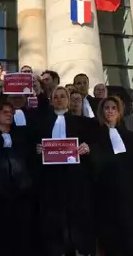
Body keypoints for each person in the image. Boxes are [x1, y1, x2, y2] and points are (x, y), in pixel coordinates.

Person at [35, 86, 96, 256]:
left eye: (63, 96)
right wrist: (37, 149)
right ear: (51, 100)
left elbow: (94, 144)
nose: (59, 99)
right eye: (56, 97)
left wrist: (87, 147)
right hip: (50, 178)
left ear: (68, 101)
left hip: (74, 177)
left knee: (75, 215)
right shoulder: (42, 122)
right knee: (52, 216)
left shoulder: (81, 123)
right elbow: (33, 145)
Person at [92, 96, 133, 256]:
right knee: (112, 236)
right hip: (106, 192)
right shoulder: (96, 135)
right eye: (107, 108)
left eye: (114, 108)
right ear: (101, 111)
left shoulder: (128, 135)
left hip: (128, 192)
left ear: (119, 111)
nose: (110, 111)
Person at [0, 101, 35, 256]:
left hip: (21, 192)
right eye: (4, 112)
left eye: (11, 113)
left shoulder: (20, 136)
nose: (9, 115)